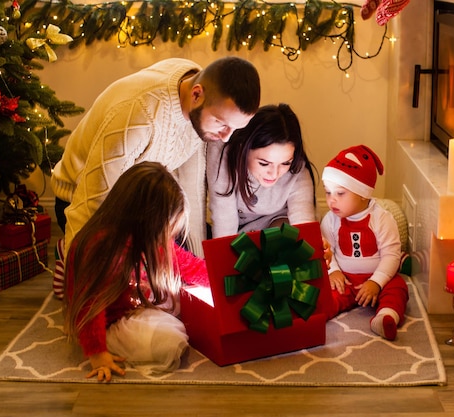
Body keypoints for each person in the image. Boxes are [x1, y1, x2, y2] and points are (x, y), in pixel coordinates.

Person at [51, 56, 261, 258]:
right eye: (221, 123)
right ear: (196, 95)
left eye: (234, 128)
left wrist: (199, 263)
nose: (225, 137)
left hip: (138, 205)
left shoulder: (197, 90)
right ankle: (67, 252)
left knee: (180, 265)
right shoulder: (139, 115)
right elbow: (89, 201)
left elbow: (191, 187)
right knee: (137, 276)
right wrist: (78, 271)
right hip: (81, 198)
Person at [63, 161, 209, 382]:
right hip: (111, 322)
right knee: (169, 343)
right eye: (166, 229)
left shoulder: (152, 238)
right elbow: (90, 307)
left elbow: (189, 266)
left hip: (138, 302)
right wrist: (98, 353)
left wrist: (220, 277)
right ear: (147, 221)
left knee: (189, 296)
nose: (168, 237)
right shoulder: (103, 248)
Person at [320, 145, 409, 340]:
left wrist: (376, 282)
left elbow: (391, 256)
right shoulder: (330, 219)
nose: (331, 200)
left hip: (379, 277)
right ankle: (315, 317)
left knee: (398, 287)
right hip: (346, 279)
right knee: (328, 290)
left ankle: (386, 316)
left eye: (340, 194)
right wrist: (333, 270)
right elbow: (327, 251)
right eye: (328, 192)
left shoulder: (382, 219)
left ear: (363, 194)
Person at [207, 103, 317, 238]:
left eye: (285, 163)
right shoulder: (224, 154)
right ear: (244, 149)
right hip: (238, 232)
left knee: (286, 235)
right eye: (264, 163)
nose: (274, 173)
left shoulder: (297, 171)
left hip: (276, 224)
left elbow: (304, 224)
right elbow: (223, 217)